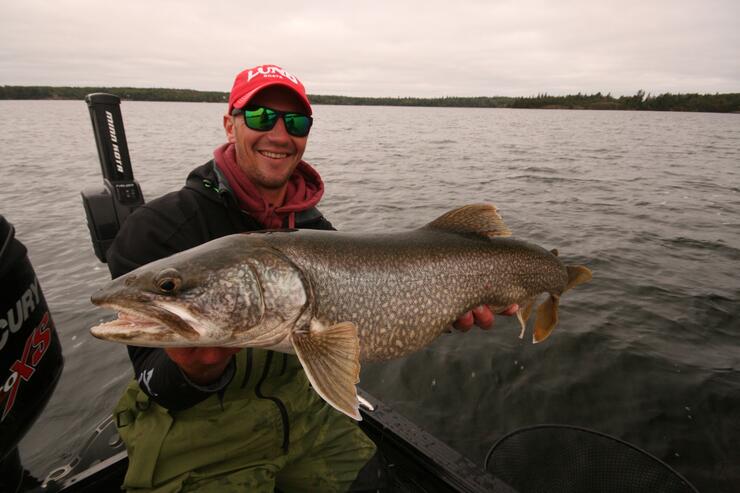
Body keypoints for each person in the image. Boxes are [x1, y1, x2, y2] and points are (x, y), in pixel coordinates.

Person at [106, 63, 516, 492]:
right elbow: (154, 385)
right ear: (230, 125)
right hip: (200, 435)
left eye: (296, 121)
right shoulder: (157, 230)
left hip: (306, 414)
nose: (280, 134)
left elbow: (368, 327)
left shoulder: (316, 231)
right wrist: (196, 371)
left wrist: (443, 310)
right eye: (262, 116)